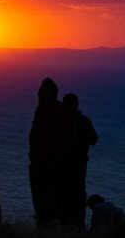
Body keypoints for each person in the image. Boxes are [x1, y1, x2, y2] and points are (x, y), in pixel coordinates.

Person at [28, 77, 72, 227]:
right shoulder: (64, 109)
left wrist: (33, 154)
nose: (37, 94)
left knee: (41, 195)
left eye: (40, 91)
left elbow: (35, 133)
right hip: (60, 161)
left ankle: (45, 226)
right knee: (57, 195)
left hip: (42, 160)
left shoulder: (43, 109)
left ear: (48, 93)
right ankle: (57, 224)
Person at [61, 93, 99, 228]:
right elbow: (94, 139)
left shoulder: (61, 121)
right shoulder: (84, 121)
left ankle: (67, 223)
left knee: (64, 192)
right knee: (78, 192)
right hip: (79, 162)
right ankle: (78, 223)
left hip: (65, 163)